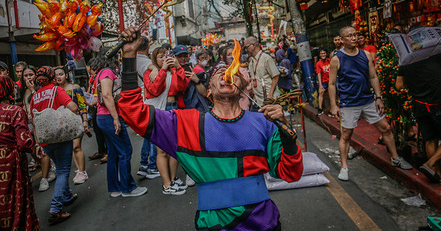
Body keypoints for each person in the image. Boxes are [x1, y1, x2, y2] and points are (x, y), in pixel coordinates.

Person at [118, 27, 303, 230]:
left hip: (264, 223)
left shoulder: (264, 123)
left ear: (241, 87)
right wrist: (128, 55)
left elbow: (291, 173)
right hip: (214, 225)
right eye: (219, 73)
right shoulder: (185, 123)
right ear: (209, 91)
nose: (226, 74)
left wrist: (287, 137)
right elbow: (132, 111)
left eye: (232, 73)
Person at [329, 26, 412, 181]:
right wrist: (334, 105)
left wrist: (378, 98)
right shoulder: (336, 59)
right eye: (349, 36)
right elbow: (332, 84)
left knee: (386, 128)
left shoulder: (365, 54)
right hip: (349, 103)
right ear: (342, 40)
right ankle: (344, 167)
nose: (353, 38)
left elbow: (373, 77)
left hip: (368, 100)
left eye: (355, 35)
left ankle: (395, 158)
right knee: (346, 135)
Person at [92, 48, 147, 198]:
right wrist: (116, 118)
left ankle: (115, 188)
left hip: (103, 117)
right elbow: (107, 95)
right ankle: (127, 187)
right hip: (109, 117)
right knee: (125, 151)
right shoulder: (107, 72)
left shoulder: (101, 72)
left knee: (114, 153)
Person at [30, 66, 79, 225]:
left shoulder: (34, 97)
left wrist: (38, 144)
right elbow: (73, 107)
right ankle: (56, 208)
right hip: (60, 137)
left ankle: (66, 196)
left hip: (45, 141)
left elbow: (34, 122)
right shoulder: (57, 90)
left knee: (59, 167)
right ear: (52, 77)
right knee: (64, 171)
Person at [396, 54, 441, 185]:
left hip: (419, 105)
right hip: (439, 104)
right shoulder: (438, 55)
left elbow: (399, 85)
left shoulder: (406, 60)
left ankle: (439, 176)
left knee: (431, 139)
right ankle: (430, 163)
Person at [143, 46, 190, 195]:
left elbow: (182, 87)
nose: (164, 59)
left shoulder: (173, 71)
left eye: (167, 56)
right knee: (162, 150)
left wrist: (177, 68)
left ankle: (173, 178)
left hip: (173, 108)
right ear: (155, 59)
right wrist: (162, 69)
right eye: (160, 56)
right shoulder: (150, 73)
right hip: (159, 111)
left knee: (175, 147)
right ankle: (167, 184)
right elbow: (155, 89)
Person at [0, 75, 41, 230]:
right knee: (15, 200)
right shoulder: (15, 111)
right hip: (11, 163)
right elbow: (24, 142)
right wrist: (35, 148)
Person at [20, 65, 56, 190]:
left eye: (31, 74)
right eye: (26, 75)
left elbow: (41, 105)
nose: (28, 77)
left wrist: (33, 89)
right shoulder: (24, 91)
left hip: (42, 123)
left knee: (43, 149)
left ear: (36, 75)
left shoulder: (40, 89)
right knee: (35, 150)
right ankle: (50, 167)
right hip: (30, 125)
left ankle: (45, 178)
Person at [55, 66, 89, 185]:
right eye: (56, 75)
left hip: (76, 120)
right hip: (63, 124)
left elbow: (82, 104)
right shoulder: (55, 91)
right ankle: (79, 170)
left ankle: (83, 172)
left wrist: (85, 120)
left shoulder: (75, 88)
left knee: (76, 146)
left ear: (66, 75)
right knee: (71, 147)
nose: (58, 77)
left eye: (60, 74)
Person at [136, 37, 160, 180]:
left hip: (141, 100)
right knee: (153, 134)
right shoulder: (144, 61)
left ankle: (144, 164)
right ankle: (152, 166)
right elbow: (150, 68)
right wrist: (156, 69)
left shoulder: (131, 60)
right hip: (148, 99)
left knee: (148, 134)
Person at [244, 36, 280, 110]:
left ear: (253, 45)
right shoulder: (251, 62)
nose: (246, 50)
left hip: (269, 101)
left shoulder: (266, 58)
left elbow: (275, 77)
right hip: (257, 101)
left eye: (247, 47)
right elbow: (253, 80)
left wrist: (270, 95)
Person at [86, 58, 108, 162]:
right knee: (96, 130)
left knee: (104, 131)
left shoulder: (100, 77)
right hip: (94, 106)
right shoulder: (91, 78)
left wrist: (92, 102)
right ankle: (101, 151)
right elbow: (90, 91)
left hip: (101, 105)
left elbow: (101, 94)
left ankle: (108, 152)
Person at [316, 49, 330, 116]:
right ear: (319, 55)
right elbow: (318, 74)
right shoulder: (318, 63)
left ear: (326, 54)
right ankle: (320, 108)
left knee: (333, 94)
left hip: (331, 81)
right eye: (321, 53)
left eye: (324, 53)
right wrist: (320, 85)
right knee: (321, 93)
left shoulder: (330, 61)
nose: (323, 55)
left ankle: (332, 109)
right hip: (324, 81)